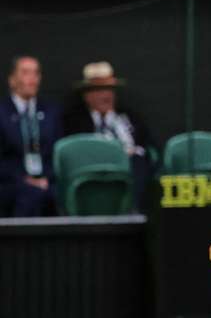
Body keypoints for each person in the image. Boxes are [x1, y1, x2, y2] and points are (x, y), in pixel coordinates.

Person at [63, 61, 156, 213]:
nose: (106, 95)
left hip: (129, 170)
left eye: (109, 90)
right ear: (87, 95)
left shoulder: (130, 117)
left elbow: (148, 147)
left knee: (139, 164)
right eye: (99, 90)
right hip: (92, 170)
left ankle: (135, 215)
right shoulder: (74, 121)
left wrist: (134, 152)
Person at [0, 55, 63, 217]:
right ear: (12, 80)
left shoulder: (50, 112)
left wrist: (46, 178)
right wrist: (23, 179)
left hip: (47, 180)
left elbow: (58, 151)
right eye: (25, 73)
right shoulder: (2, 113)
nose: (32, 79)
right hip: (11, 182)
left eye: (36, 73)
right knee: (30, 195)